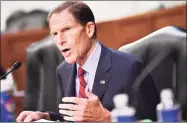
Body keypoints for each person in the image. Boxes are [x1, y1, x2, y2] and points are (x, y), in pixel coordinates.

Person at [16, 1, 159, 122]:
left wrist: (108, 118)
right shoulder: (64, 70)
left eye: (66, 30)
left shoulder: (129, 68)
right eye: (55, 33)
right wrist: (45, 116)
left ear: (89, 29)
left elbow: (153, 119)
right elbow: (74, 117)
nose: (60, 40)